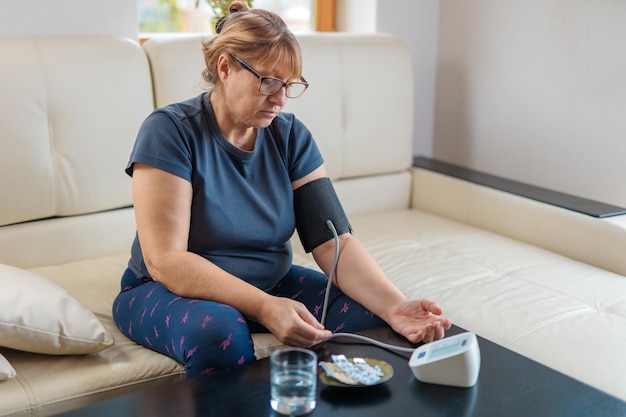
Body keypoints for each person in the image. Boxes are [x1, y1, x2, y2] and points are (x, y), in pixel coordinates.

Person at [112, 1, 452, 377]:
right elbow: (166, 261)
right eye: (268, 81)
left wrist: (395, 304)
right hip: (163, 291)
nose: (280, 98)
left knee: (374, 317)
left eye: (289, 84)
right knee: (220, 332)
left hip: (269, 283)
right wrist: (264, 306)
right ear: (225, 67)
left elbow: (334, 243)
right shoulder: (170, 131)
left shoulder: (290, 136)